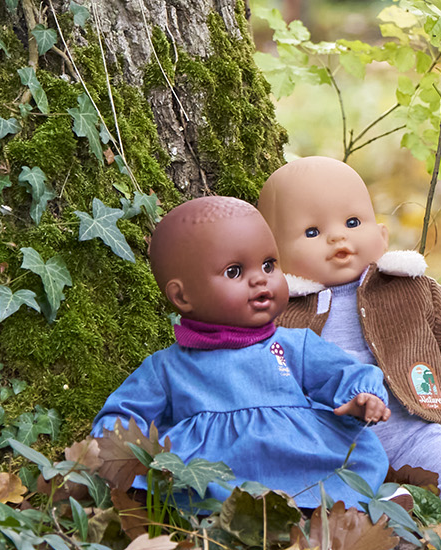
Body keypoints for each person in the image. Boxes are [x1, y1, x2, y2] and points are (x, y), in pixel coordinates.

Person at [262, 155, 441, 545]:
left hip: (413, 424)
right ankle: (391, 519)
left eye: (353, 223)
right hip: (331, 438)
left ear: (383, 235)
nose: (338, 238)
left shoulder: (405, 288)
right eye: (311, 232)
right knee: (326, 488)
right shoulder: (281, 314)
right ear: (274, 259)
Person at [91, 195, 391, 511]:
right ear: (182, 296)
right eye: (235, 271)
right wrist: (117, 443)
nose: (260, 278)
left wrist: (363, 395)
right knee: (197, 494)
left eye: (268, 264)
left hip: (302, 456)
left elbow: (341, 371)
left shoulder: (293, 345)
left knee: (349, 465)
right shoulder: (168, 367)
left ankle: (352, 510)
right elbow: (123, 415)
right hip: (217, 477)